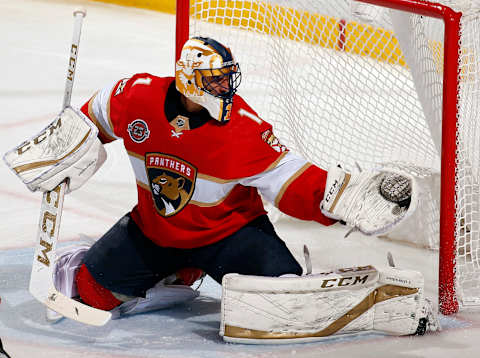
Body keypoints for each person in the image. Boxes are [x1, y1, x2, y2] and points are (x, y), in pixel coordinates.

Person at [5, 37, 431, 335]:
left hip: (231, 236)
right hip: (155, 231)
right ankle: (179, 269)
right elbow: (95, 116)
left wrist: (342, 197)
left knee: (283, 306)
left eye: (227, 78)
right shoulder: (136, 97)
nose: (225, 88)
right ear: (188, 80)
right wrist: (67, 142)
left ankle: (195, 265)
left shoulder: (241, 128)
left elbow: (291, 180)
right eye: (215, 81)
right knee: (89, 293)